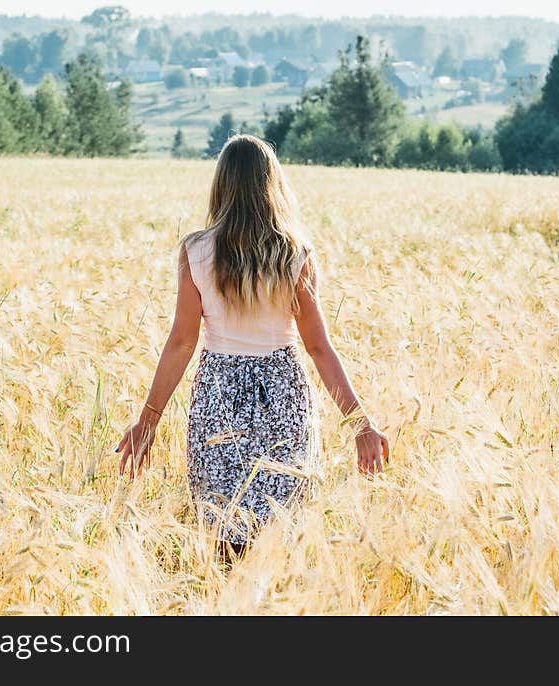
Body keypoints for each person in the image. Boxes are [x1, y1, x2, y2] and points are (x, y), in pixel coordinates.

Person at [115, 134, 389, 559]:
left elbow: (182, 340)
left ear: (221, 185)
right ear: (271, 184)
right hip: (284, 396)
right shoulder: (294, 254)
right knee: (282, 534)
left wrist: (148, 420)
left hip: (218, 397)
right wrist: (360, 424)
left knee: (224, 536)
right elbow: (318, 347)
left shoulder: (196, 251)